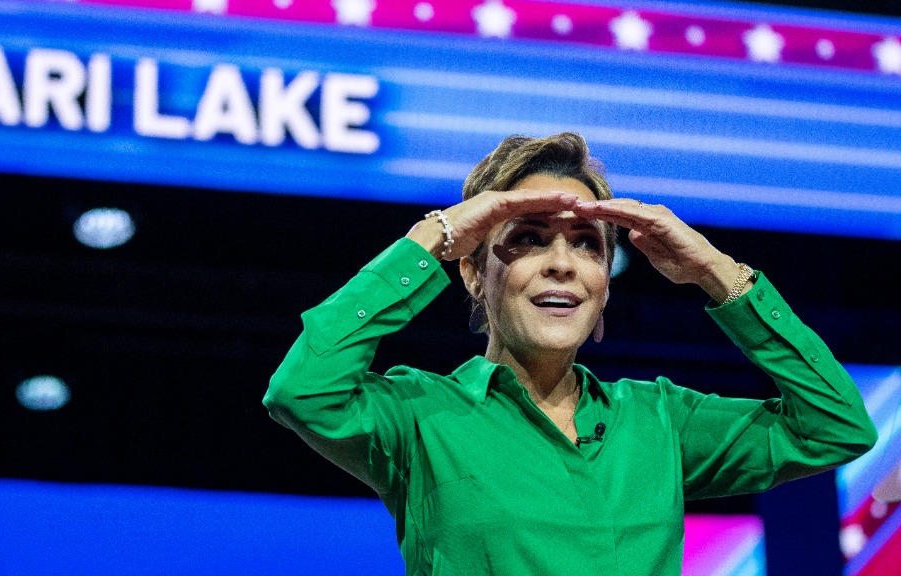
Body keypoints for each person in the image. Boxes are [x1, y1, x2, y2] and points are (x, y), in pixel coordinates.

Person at [263, 132, 877, 575]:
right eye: (528, 240)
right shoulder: (420, 418)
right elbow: (302, 391)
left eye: (587, 246)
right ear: (475, 274)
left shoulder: (659, 421)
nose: (562, 263)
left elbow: (836, 427)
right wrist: (436, 235)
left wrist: (717, 272)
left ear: (604, 281)